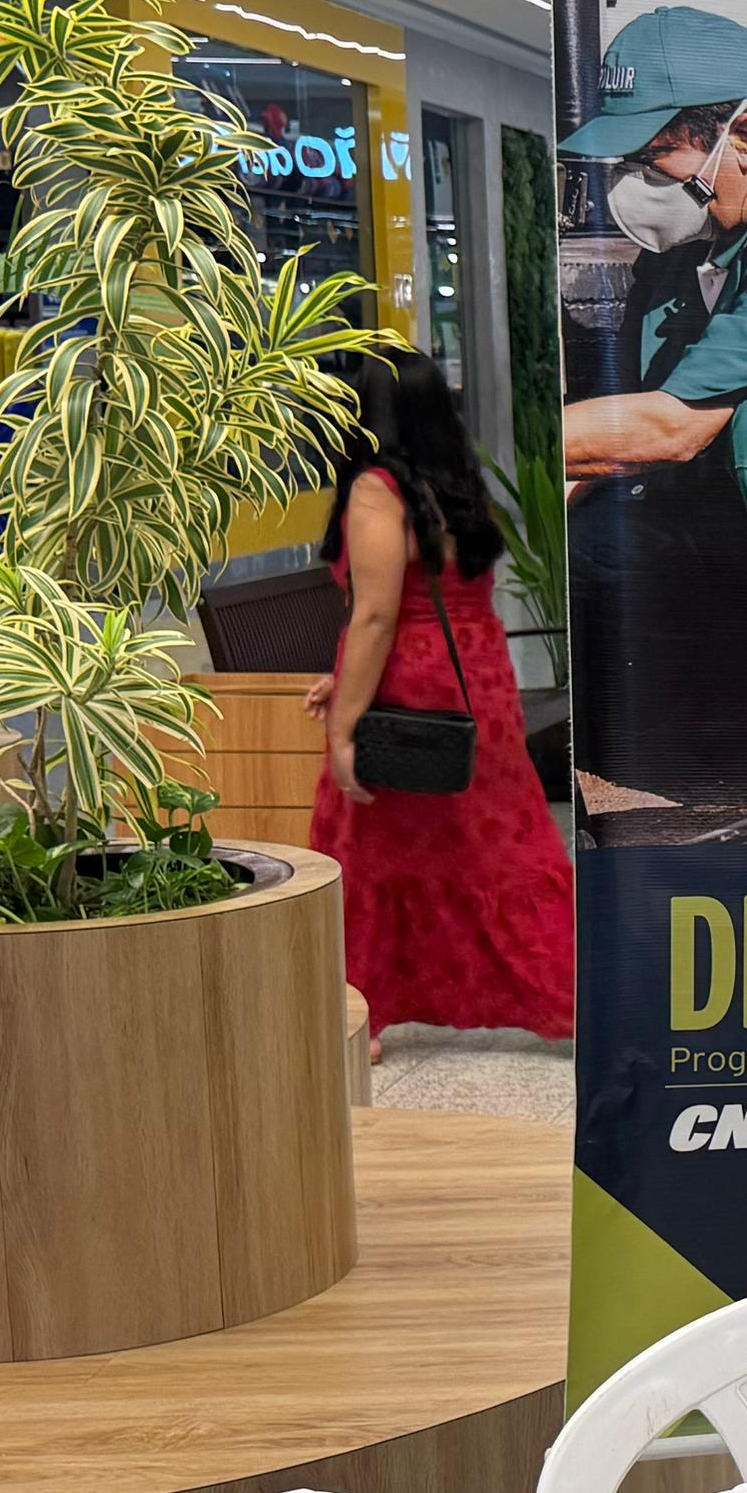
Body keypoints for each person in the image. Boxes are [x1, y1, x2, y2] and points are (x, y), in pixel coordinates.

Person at [307, 346, 575, 1053]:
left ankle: (360, 1010)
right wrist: (344, 678)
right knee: (505, 844)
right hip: (478, 679)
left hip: (410, 684)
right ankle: (573, 992)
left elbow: (377, 617)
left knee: (369, 849)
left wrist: (345, 727)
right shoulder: (456, 484)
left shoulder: (376, 490)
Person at [557, 5, 747, 623]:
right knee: (589, 550)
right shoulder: (685, 245)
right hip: (698, 501)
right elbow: (627, 417)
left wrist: (483, 451)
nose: (633, 185)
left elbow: (672, 428)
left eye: (654, 158)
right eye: (626, 163)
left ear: (746, 138)